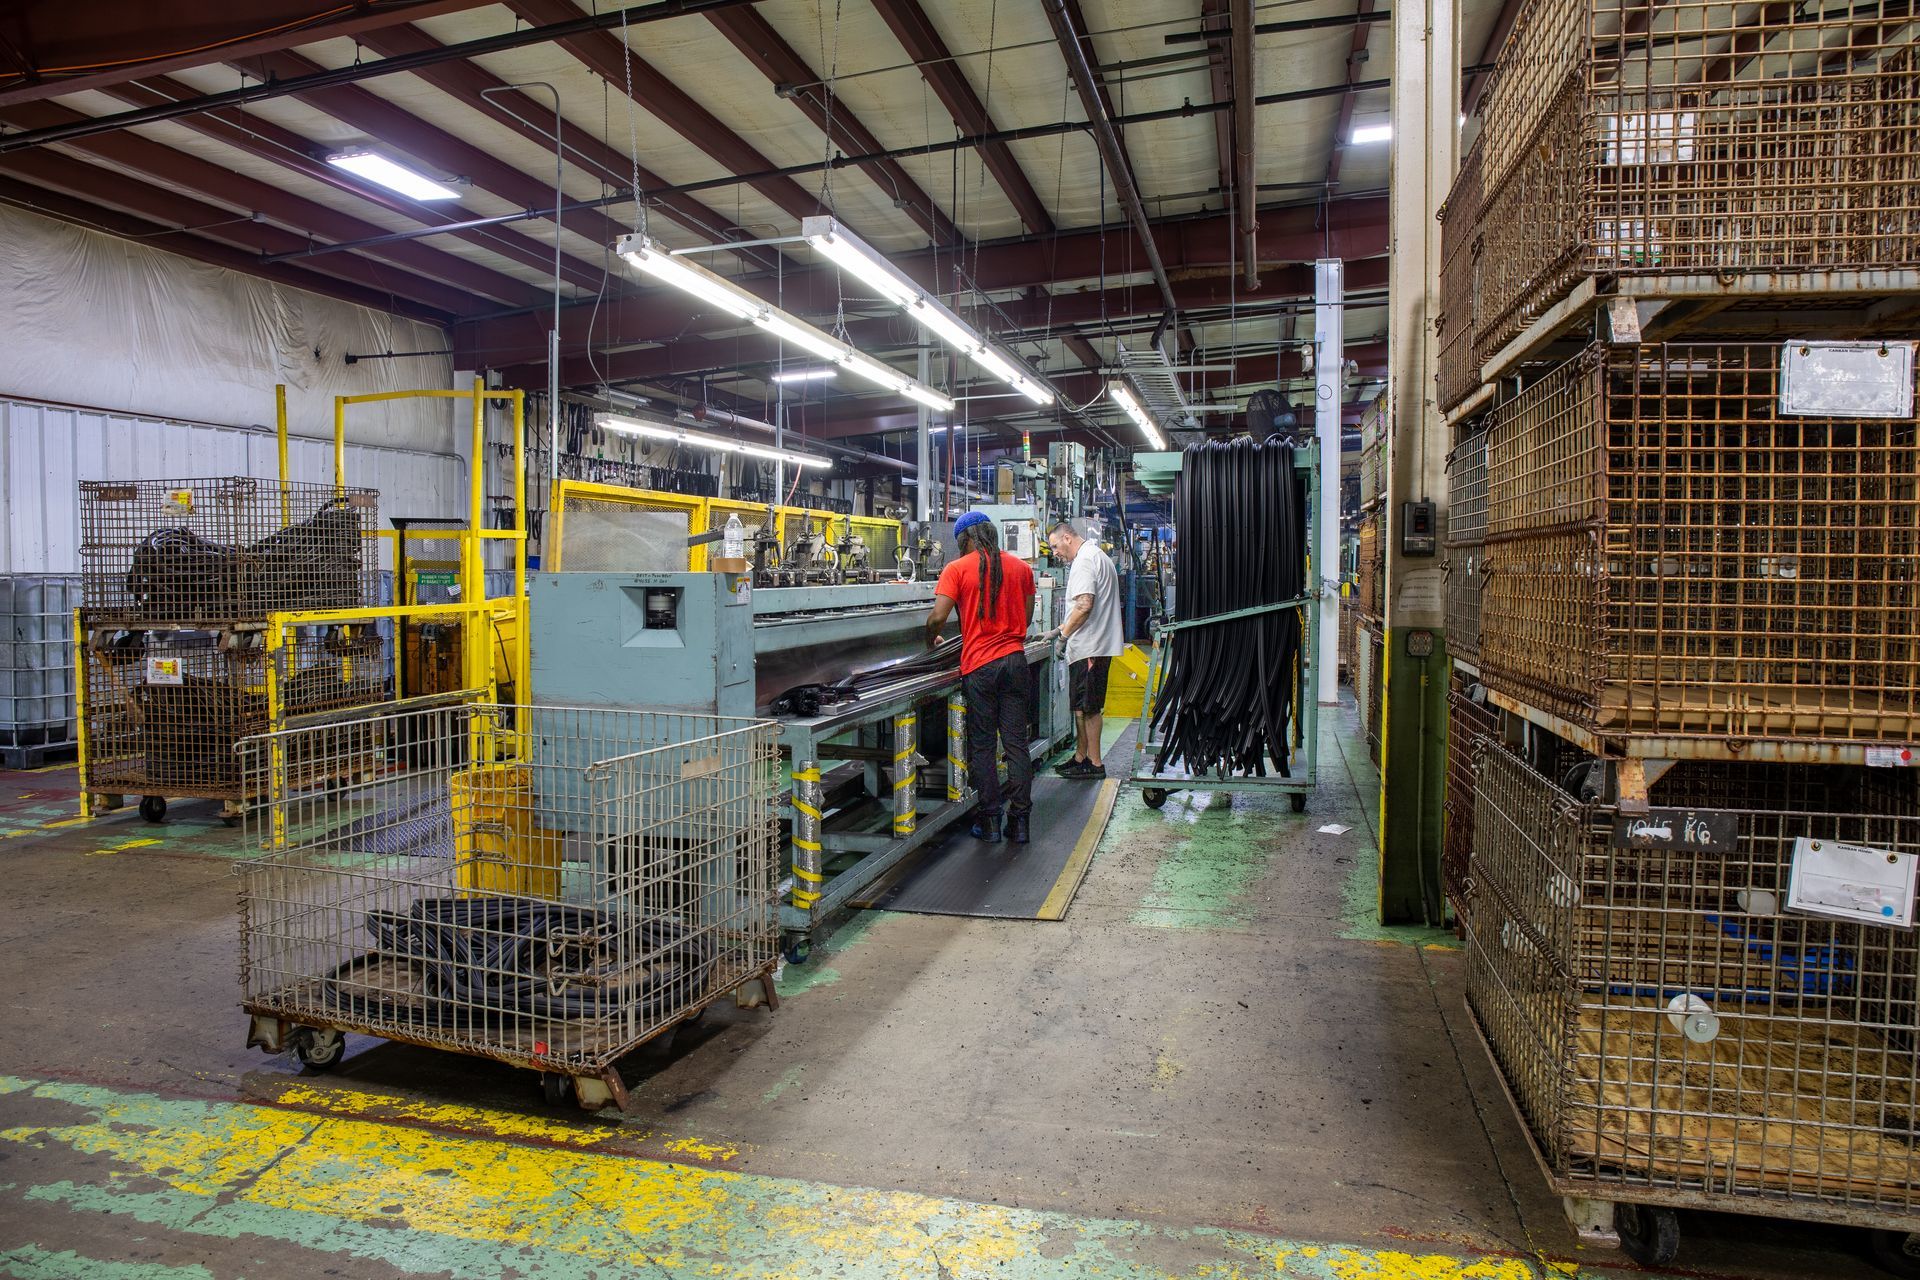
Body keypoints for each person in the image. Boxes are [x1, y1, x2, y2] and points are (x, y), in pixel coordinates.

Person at [925, 512, 1037, 844]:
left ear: (964, 540)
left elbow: (937, 617)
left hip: (980, 667)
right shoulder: (1021, 568)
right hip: (1015, 662)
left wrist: (929, 639)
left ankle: (989, 823)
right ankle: (1020, 824)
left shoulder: (956, 570)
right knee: (1016, 745)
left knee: (984, 746)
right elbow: (1027, 618)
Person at [1045, 519, 1124, 779]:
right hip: (1092, 644)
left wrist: (1064, 637)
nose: (1055, 553)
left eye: (1056, 546)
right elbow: (1083, 607)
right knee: (1081, 706)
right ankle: (1081, 757)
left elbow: (1085, 604)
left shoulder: (1084, 560)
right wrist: (1058, 629)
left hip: (1090, 646)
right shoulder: (1096, 555)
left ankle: (1095, 763)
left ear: (1067, 538)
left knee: (1089, 707)